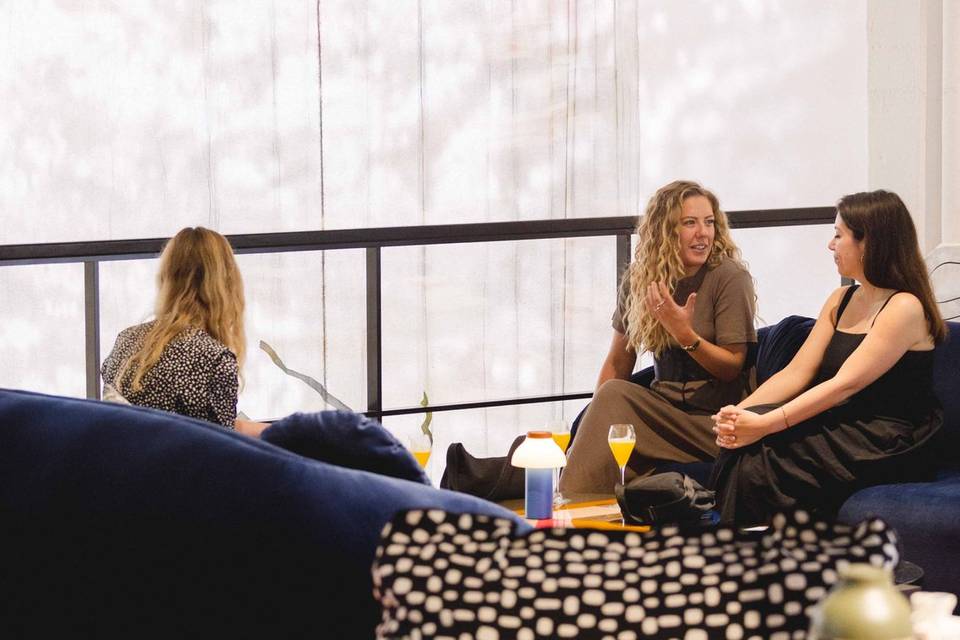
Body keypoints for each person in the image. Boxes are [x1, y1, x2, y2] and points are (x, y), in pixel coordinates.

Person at [710, 190, 946, 524]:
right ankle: (751, 552)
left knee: (762, 453)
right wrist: (739, 413)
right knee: (741, 445)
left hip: (887, 436)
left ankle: (756, 555)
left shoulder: (904, 307)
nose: (830, 245)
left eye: (838, 235)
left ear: (869, 243)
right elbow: (797, 372)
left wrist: (763, 425)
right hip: (845, 424)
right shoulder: (841, 298)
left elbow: (843, 386)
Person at [559, 180, 757, 495]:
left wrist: (684, 334)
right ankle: (575, 510)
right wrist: (590, 422)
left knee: (610, 415)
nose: (703, 233)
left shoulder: (729, 277)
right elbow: (618, 359)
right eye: (690, 223)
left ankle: (570, 513)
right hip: (662, 411)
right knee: (607, 406)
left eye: (709, 223)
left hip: (713, 421)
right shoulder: (642, 279)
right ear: (665, 231)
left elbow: (732, 366)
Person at [101, 227, 267, 437]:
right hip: (179, 466)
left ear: (166, 278)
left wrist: (284, 431)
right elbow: (222, 447)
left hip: (127, 464)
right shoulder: (214, 358)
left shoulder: (126, 340)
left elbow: (195, 423)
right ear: (226, 283)